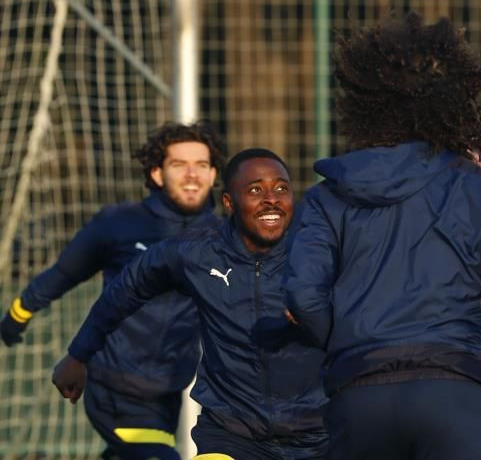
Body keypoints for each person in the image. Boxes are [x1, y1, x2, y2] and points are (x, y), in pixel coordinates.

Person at [284, 12, 481, 460]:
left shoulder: (328, 198)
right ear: (460, 101)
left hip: (358, 396)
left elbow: (303, 295)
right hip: (456, 393)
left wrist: (348, 341)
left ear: (365, 103)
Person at [52, 148, 329, 460]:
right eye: (255, 190)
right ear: (228, 203)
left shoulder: (318, 248)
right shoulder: (194, 252)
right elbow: (125, 290)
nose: (271, 199)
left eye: (281, 188)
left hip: (319, 434)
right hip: (231, 434)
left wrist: (322, 316)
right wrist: (78, 355)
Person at [0, 121, 224, 460]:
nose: (192, 174)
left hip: (168, 389)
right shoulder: (117, 223)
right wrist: (20, 310)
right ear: (157, 174)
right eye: (179, 164)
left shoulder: (226, 237)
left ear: (212, 175)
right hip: (114, 386)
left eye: (202, 165)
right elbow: (64, 273)